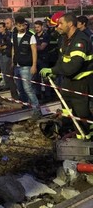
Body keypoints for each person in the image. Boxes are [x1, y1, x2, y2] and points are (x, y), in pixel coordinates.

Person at [40, 12, 93, 140]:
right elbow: (62, 60)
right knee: (67, 110)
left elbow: (72, 67)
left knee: (81, 114)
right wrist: (54, 71)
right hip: (68, 82)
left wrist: (54, 70)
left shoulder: (80, 40)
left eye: (61, 23)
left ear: (70, 24)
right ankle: (69, 131)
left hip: (81, 82)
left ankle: (86, 139)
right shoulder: (65, 39)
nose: (58, 26)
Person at [12, 15, 40, 117]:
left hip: (27, 66)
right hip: (17, 65)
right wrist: (12, 61)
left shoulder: (30, 36)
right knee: (19, 86)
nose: (21, 27)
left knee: (28, 88)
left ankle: (36, 109)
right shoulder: (14, 35)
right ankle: (24, 103)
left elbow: (34, 51)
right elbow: (14, 49)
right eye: (19, 26)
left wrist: (34, 65)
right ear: (16, 26)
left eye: (22, 25)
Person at [34, 20, 51, 101]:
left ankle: (48, 95)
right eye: (35, 27)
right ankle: (38, 94)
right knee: (36, 78)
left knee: (45, 78)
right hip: (36, 59)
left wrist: (33, 47)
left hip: (44, 59)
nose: (36, 29)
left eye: (38, 27)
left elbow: (42, 47)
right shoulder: (34, 36)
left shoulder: (45, 36)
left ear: (42, 27)